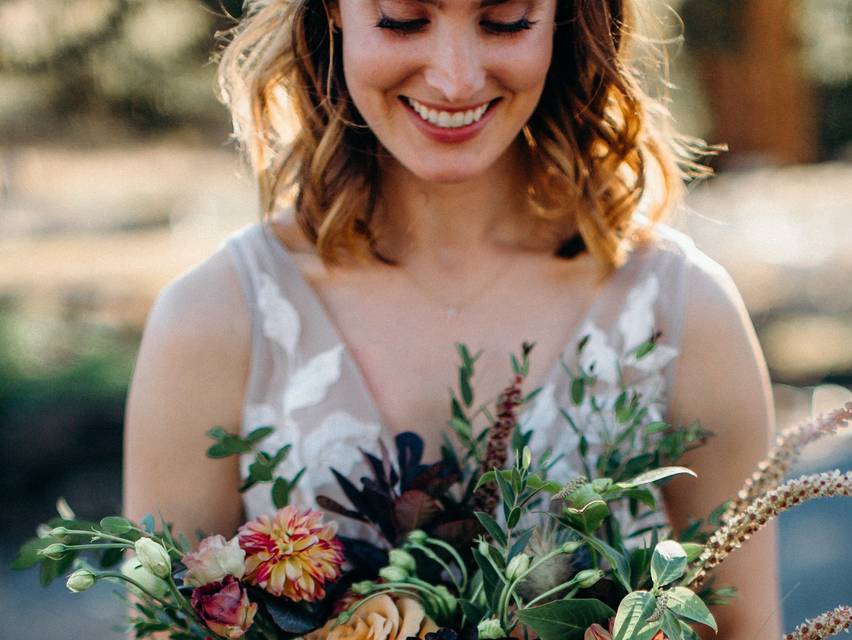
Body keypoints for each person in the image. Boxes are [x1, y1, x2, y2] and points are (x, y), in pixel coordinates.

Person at [123, 0, 782, 637]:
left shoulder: (682, 312)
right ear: (331, 10)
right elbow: (164, 628)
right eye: (404, 19)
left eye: (505, 20)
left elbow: (745, 627)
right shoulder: (213, 322)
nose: (456, 76)